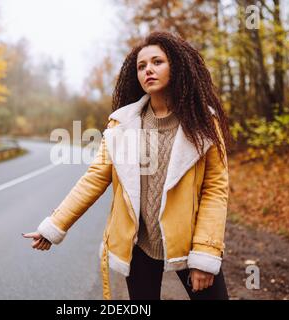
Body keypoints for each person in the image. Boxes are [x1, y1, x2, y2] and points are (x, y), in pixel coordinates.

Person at [22, 30, 232, 300]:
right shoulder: (122, 124)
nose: (148, 70)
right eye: (141, 66)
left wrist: (205, 254)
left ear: (176, 67)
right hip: (139, 246)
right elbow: (94, 179)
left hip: (190, 243)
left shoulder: (203, 122)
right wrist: (54, 226)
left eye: (158, 62)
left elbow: (215, 189)